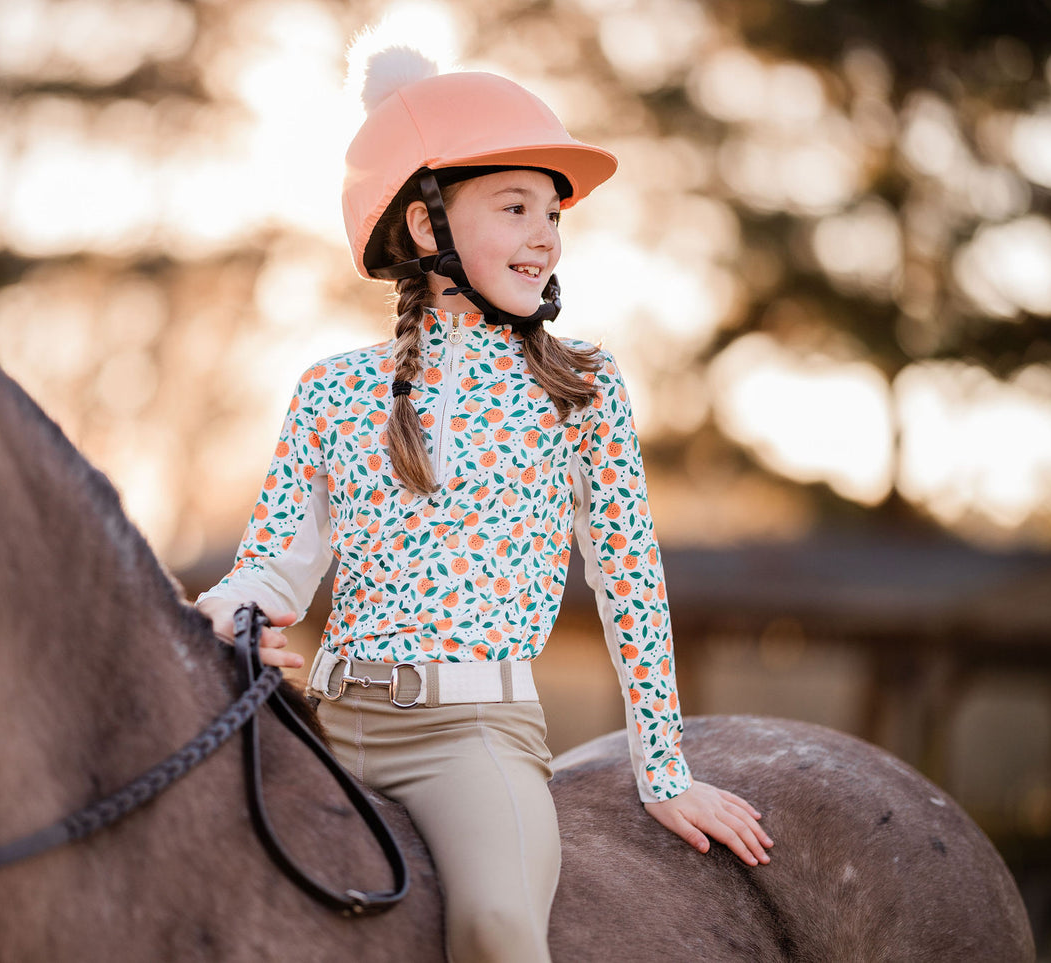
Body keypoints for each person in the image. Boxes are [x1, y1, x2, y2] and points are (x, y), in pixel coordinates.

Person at [196, 46, 772, 963]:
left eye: (553, 214)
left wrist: (661, 769)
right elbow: (272, 565)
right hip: (329, 727)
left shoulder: (581, 387)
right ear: (426, 229)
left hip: (469, 738)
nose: (545, 236)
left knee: (498, 928)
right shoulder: (332, 391)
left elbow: (627, 577)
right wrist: (217, 615)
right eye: (515, 208)